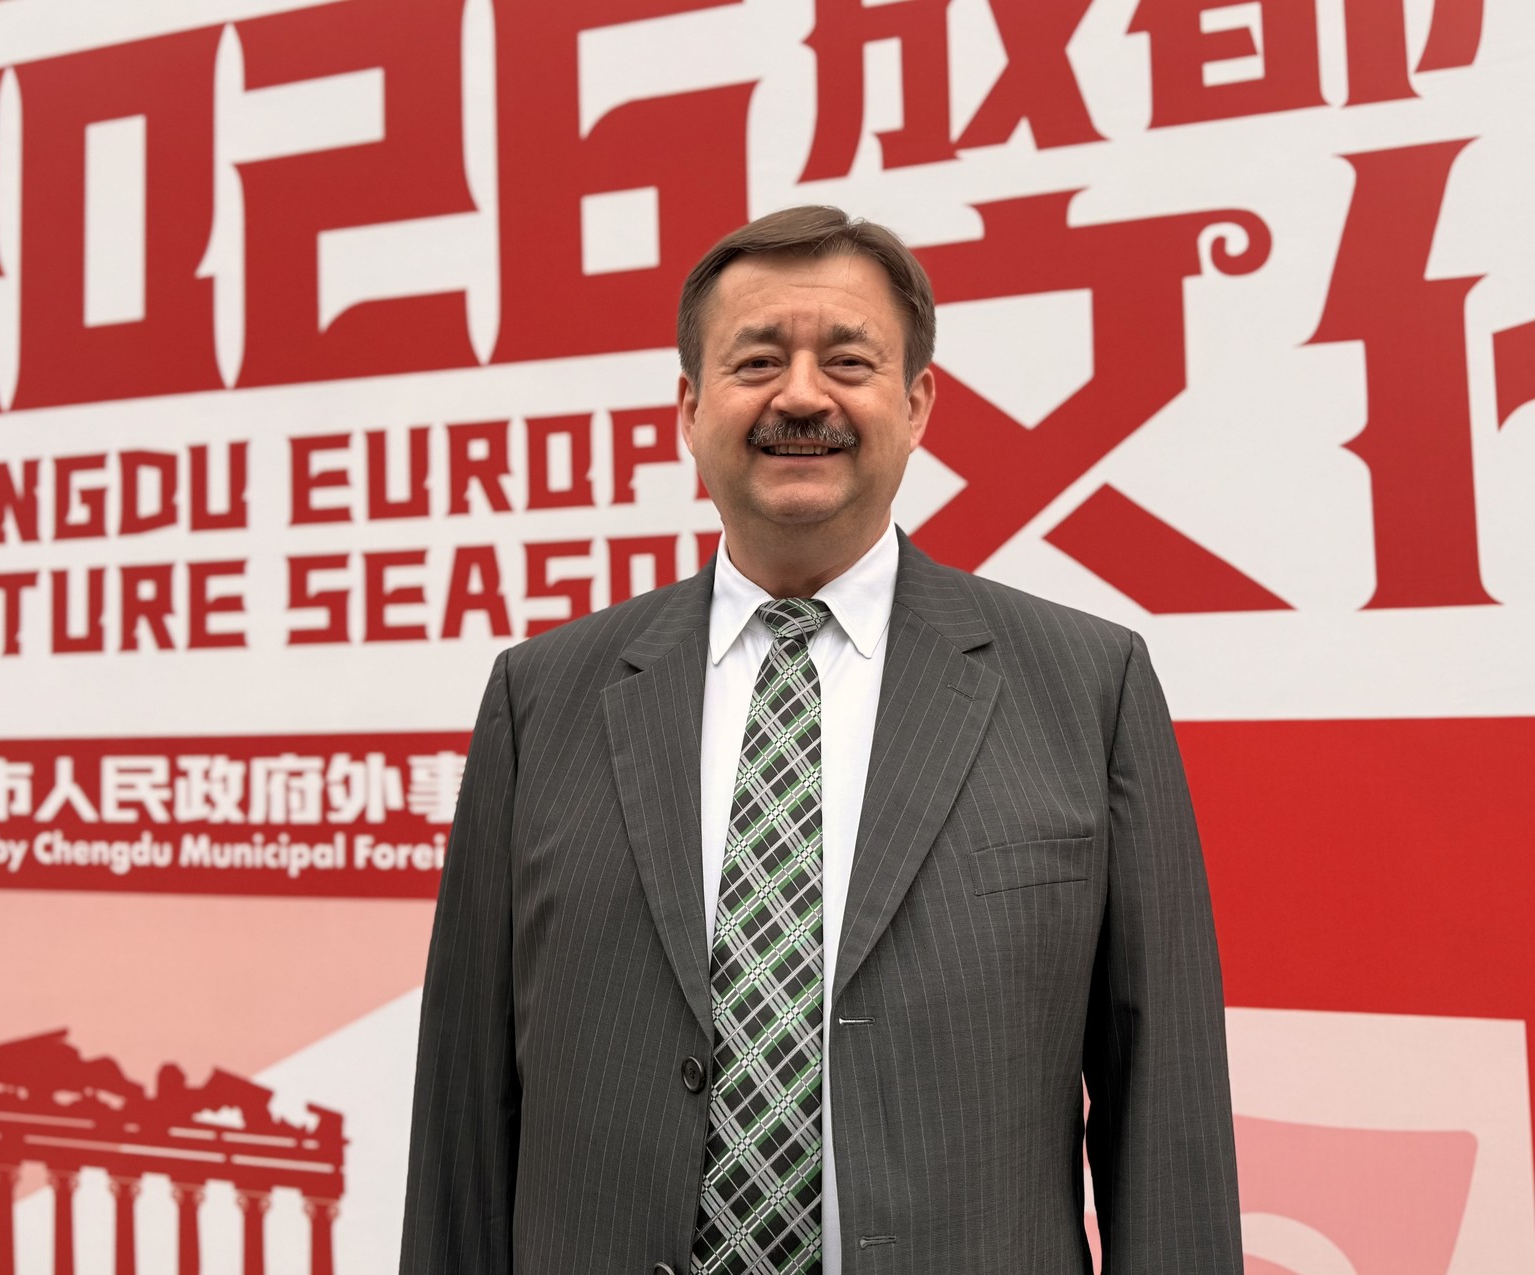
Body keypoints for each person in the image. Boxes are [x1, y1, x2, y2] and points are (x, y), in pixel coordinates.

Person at [401, 206, 1242, 1274]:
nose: (801, 396)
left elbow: (1162, 1107)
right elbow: (465, 1115)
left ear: (917, 403)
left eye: (847, 361)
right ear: (689, 407)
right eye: (756, 361)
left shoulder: (1086, 685)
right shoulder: (542, 697)